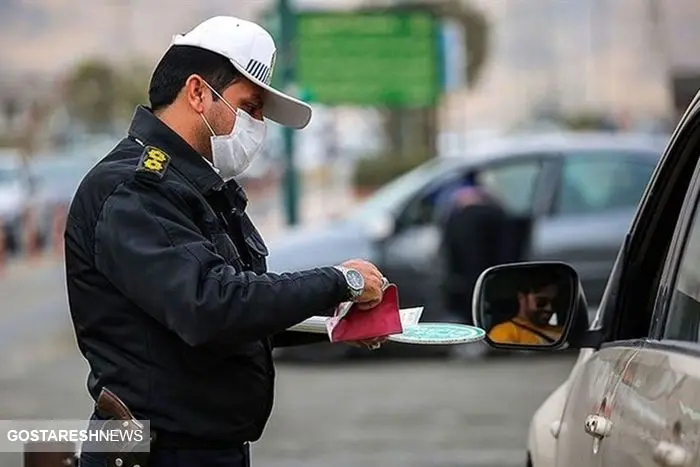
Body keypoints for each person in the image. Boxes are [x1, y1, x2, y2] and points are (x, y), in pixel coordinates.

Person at [65, 16, 388, 467]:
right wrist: (341, 280)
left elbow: (238, 315)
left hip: (205, 450)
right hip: (155, 453)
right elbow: (210, 305)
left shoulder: (198, 188)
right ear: (198, 92)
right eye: (250, 107)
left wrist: (334, 321)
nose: (257, 125)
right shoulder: (135, 189)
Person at [487, 276, 564, 345]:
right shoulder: (504, 332)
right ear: (522, 298)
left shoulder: (563, 331)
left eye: (554, 303)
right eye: (541, 302)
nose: (549, 308)